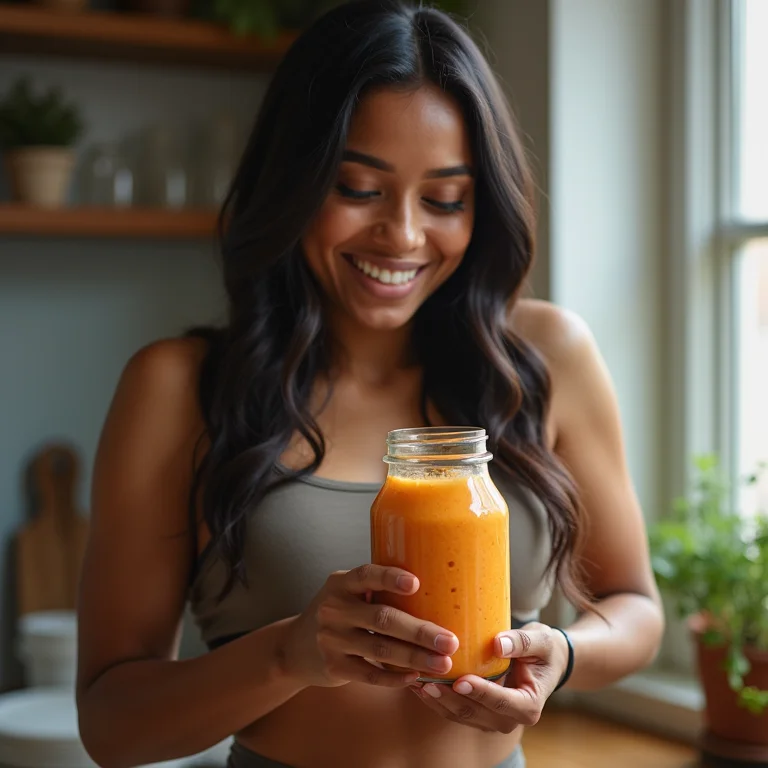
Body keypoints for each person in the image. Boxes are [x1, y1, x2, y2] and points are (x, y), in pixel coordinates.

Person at [75, 2, 665, 767]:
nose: (405, 236)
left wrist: (564, 653)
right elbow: (112, 726)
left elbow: (636, 609)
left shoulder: (545, 357)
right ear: (293, 181)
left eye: (446, 199)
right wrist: (287, 654)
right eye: (358, 188)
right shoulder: (178, 389)